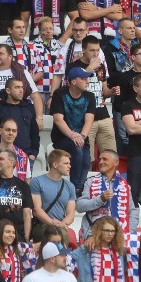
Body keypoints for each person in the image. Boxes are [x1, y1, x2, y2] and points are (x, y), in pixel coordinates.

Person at [49, 66, 95, 194]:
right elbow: (58, 119)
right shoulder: (59, 94)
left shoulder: (90, 96)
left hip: (82, 137)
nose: (87, 81)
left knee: (86, 161)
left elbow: (89, 120)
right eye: (83, 78)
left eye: (87, 79)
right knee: (77, 151)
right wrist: (72, 135)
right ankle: (74, 189)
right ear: (73, 81)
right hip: (63, 137)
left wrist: (82, 137)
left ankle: (78, 190)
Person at [76, 150, 133, 240]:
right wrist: (100, 199)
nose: (101, 162)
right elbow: (79, 206)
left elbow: (133, 210)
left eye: (104, 159)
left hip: (119, 234)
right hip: (94, 234)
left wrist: (129, 232)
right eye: (100, 159)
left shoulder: (125, 185)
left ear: (116, 162)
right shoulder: (90, 181)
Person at [0, 147, 33, 240]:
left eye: (1, 159)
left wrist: (26, 238)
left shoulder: (23, 185)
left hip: (17, 236)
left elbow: (27, 214)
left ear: (11, 162)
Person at [30, 149, 76, 230]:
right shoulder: (37, 181)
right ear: (55, 164)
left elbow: (71, 213)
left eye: (69, 163)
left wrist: (62, 224)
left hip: (61, 228)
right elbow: (36, 210)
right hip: (42, 226)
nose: (70, 166)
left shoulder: (70, 186)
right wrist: (53, 223)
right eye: (66, 163)